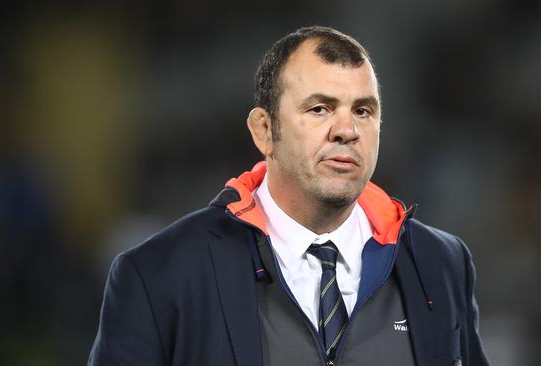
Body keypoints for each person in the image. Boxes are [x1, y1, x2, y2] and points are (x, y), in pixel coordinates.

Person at [88, 26, 489, 366]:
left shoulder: (441, 263)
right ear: (264, 130)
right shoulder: (160, 274)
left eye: (363, 111)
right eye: (319, 109)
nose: (347, 130)